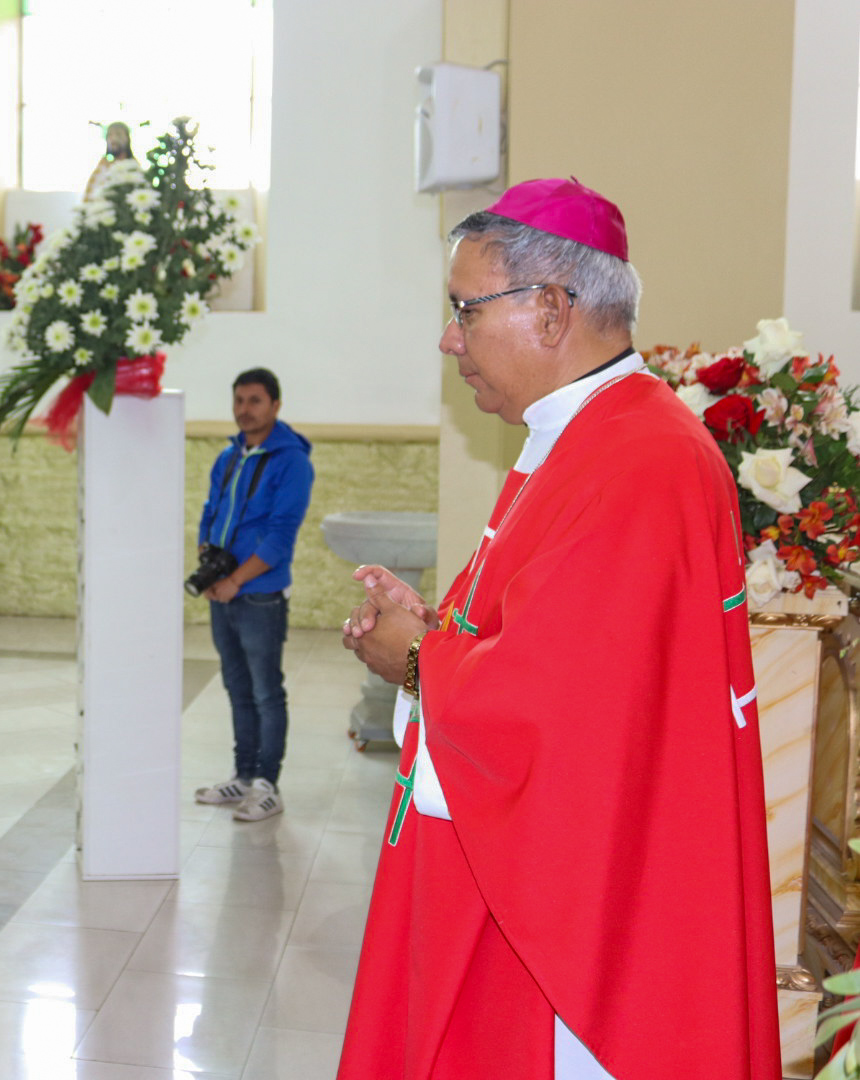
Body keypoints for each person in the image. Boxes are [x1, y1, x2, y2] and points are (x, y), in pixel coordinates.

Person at [337, 179, 778, 1077]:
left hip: (590, 925)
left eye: (465, 310)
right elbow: (548, 642)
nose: (449, 338)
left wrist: (419, 661)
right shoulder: (586, 439)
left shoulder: (641, 460)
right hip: (559, 885)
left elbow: (567, 712)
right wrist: (435, 632)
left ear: (548, 307)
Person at [192, 368, 314, 822]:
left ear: (275, 406)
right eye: (239, 401)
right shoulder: (228, 457)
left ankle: (267, 784)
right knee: (236, 686)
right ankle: (242, 777)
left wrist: (236, 580)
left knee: (265, 691)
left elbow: (281, 536)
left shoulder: (292, 462)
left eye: (255, 401)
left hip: (259, 595)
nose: (245, 410)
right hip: (223, 592)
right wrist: (208, 565)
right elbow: (210, 513)